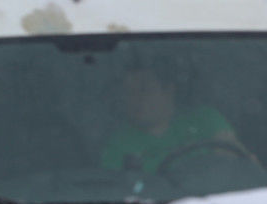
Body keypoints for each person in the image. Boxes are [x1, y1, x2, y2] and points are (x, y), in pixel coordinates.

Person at [101, 63, 242, 172]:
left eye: (143, 90)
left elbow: (240, 168)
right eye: (128, 92)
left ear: (169, 91)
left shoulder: (206, 120)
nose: (134, 99)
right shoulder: (118, 146)